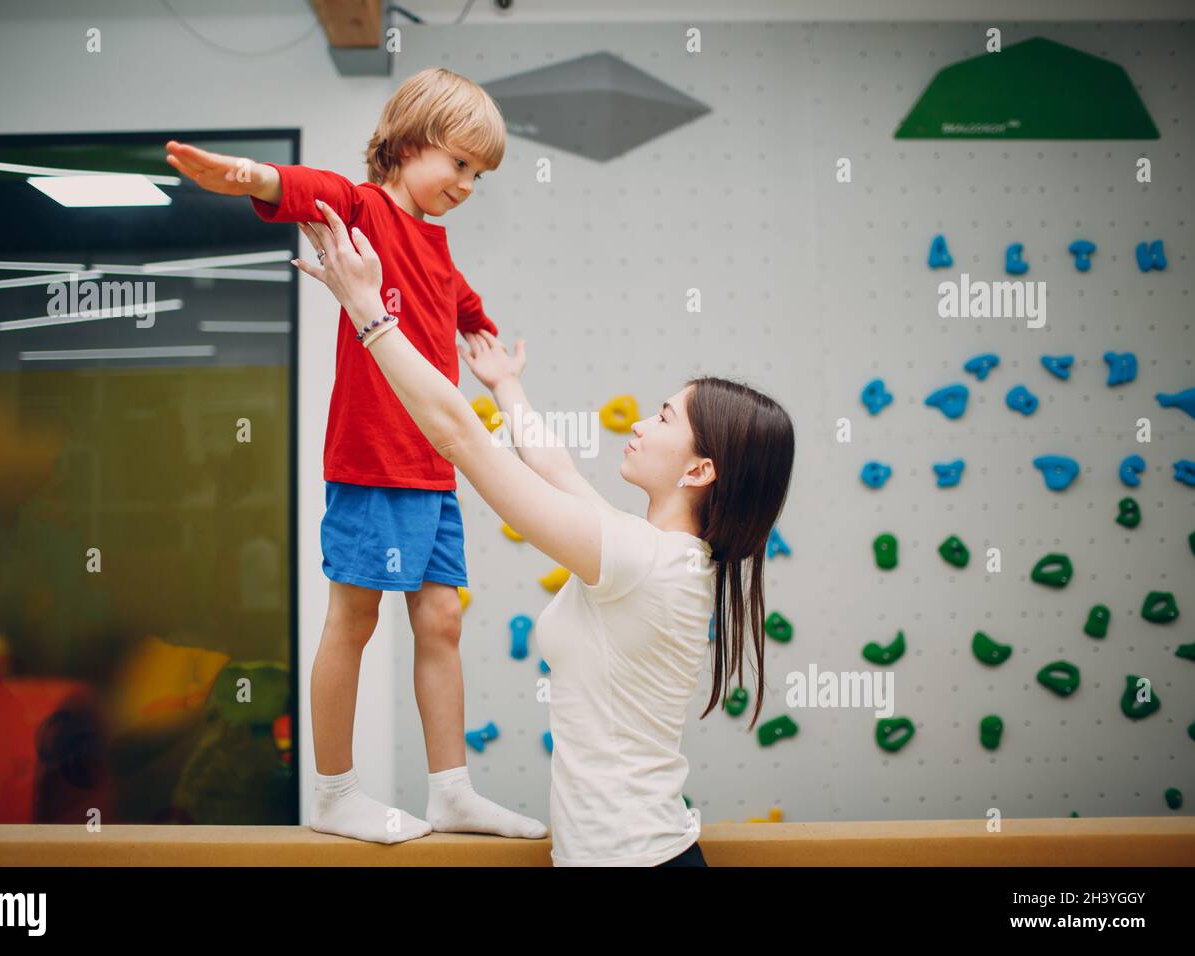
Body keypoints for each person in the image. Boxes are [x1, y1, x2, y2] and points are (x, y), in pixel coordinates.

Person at [293, 201, 797, 866]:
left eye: (665, 418)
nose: (641, 425)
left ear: (700, 468)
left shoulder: (640, 560)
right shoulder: (652, 553)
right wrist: (507, 387)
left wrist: (370, 314)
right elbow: (551, 464)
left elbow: (458, 438)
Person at [165, 67, 548, 845]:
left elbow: (460, 303)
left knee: (441, 620)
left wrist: (489, 348)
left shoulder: (437, 247)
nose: (469, 184)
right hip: (372, 460)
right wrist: (253, 176)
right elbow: (311, 192)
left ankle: (451, 790)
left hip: (434, 465)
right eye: (461, 164)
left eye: (481, 173)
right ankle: (336, 791)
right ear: (408, 145)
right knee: (356, 618)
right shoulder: (365, 210)